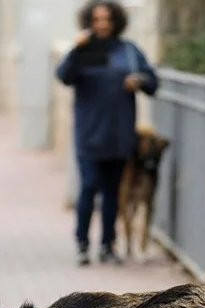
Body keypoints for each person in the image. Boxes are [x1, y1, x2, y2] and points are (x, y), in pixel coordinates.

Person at [56, 0, 158, 266]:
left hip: (119, 133)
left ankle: (107, 245)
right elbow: (64, 76)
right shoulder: (84, 52)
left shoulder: (128, 51)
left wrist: (140, 81)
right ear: (89, 21)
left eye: (107, 19)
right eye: (97, 19)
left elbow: (152, 81)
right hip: (89, 133)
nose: (102, 24)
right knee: (89, 186)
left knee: (113, 191)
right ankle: (82, 242)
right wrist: (75, 50)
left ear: (116, 22)